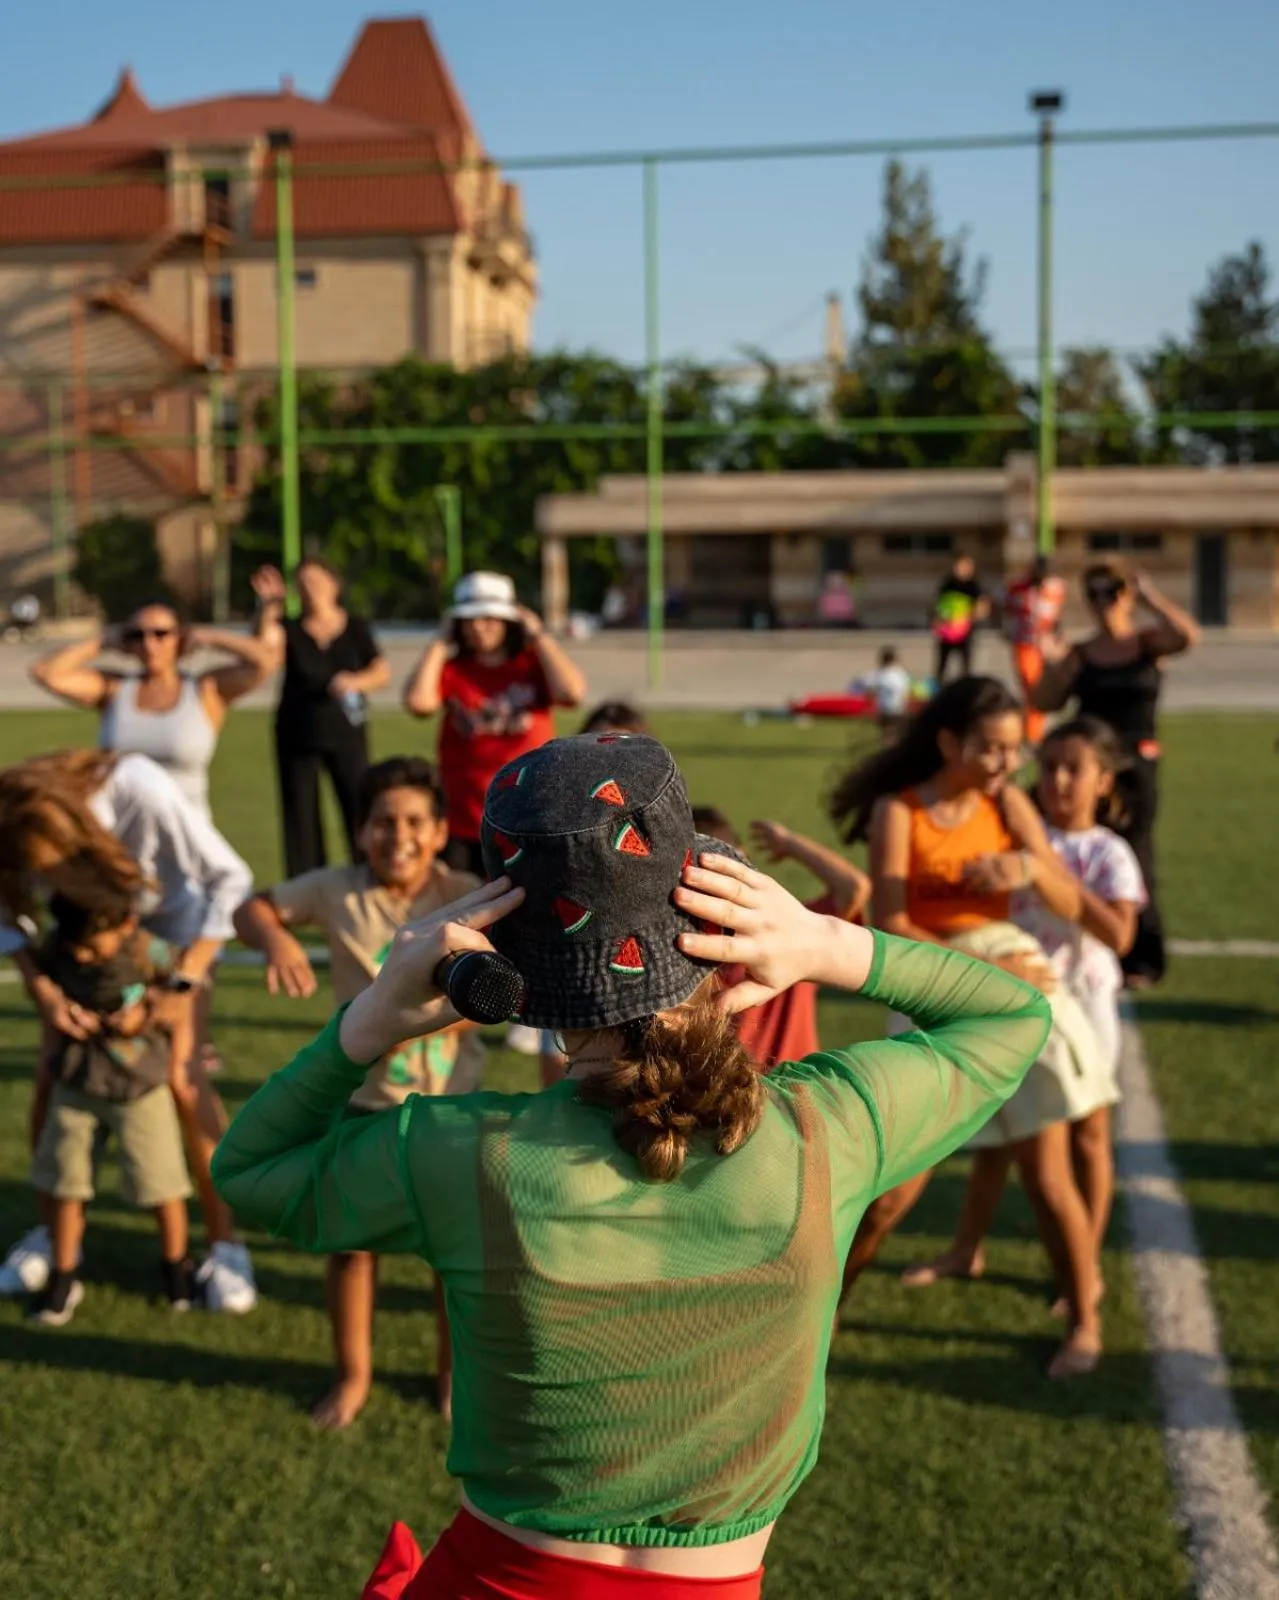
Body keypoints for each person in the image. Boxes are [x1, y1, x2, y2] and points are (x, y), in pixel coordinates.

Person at [212, 731, 1049, 1600]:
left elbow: (250, 1170)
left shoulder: (457, 1153)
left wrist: (374, 1017)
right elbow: (1011, 1020)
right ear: (718, 909)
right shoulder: (826, 1131)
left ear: (514, 972)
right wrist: (829, 946)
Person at [827, 677, 1109, 1378]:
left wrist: (1025, 866)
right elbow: (889, 923)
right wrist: (976, 973)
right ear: (950, 742)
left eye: (1014, 750)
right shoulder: (900, 810)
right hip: (932, 988)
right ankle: (823, 1318)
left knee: (1046, 1180)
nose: (1005, 764)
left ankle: (1085, 1323)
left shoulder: (1007, 802)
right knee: (890, 1191)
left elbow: (1069, 900)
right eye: (989, 749)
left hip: (1012, 994)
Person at [232, 756, 483, 1428]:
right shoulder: (335, 889)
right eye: (380, 822)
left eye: (411, 822)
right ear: (361, 829)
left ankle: (454, 1377)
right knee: (350, 1245)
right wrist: (277, 939)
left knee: (452, 1253)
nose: (395, 835)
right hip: (364, 1104)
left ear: (436, 831)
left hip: (450, 1110)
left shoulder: (467, 891)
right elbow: (249, 908)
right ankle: (353, 1377)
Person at [900, 717, 1144, 1318]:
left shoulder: (1107, 851)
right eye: (1050, 765)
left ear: (1104, 782)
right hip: (1012, 996)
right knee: (994, 1143)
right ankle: (965, 1250)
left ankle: (1082, 1273)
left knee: (1085, 1143)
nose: (1058, 780)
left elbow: (1117, 934)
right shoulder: (1014, 826)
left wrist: (1036, 872)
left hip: (1079, 1001)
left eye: (1074, 768)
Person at [0, 750, 257, 1313]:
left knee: (184, 1082)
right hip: (82, 954)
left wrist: (182, 983)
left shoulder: (139, 789)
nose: (43, 883)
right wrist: (41, 989)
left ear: (69, 830)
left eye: (47, 870)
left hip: (176, 941)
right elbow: (5, 904)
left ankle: (225, 1243)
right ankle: (51, 1234)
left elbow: (231, 877)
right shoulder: (15, 823)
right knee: (52, 1075)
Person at [25, 890, 194, 1326]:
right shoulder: (59, 945)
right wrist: (60, 1011)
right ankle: (63, 1275)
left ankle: (176, 1266)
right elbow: (39, 980)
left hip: (140, 1088)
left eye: (90, 943)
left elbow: (181, 989)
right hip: (77, 1081)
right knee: (65, 1182)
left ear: (124, 923)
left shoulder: (147, 949)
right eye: (72, 943)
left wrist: (147, 1014)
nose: (80, 954)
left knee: (161, 1184)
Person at [1033, 560, 1199, 987]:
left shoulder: (1146, 644)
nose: (1105, 601)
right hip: (1087, 767)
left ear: (1127, 594)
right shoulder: (1082, 653)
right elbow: (1045, 700)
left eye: (1113, 591)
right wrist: (1050, 661)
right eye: (1096, 593)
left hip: (1135, 768)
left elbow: (1188, 636)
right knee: (1076, 844)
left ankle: (1141, 956)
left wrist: (1151, 597)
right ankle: (1074, 935)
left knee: (1136, 851)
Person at [401, 570, 588, 879]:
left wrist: (538, 635)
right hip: (466, 817)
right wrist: (439, 641)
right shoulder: (453, 670)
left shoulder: (530, 665)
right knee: (464, 904)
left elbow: (572, 692)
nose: (477, 628)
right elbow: (418, 702)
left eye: (488, 619)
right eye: (469, 620)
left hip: (528, 813)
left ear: (508, 621)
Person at [30, 597, 279, 819]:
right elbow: (46, 673)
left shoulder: (206, 690)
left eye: (160, 634)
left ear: (179, 638)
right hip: (124, 833)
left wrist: (209, 636)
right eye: (138, 635)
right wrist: (103, 642)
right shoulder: (114, 689)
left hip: (187, 832)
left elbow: (265, 662)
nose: (149, 644)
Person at [693, 805, 869, 1070]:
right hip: (784, 1091)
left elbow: (855, 889)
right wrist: (790, 845)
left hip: (739, 1095)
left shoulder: (787, 923)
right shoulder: (791, 926)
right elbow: (853, 888)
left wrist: (790, 844)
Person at [253, 559, 391, 877]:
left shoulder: (355, 626)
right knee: (300, 812)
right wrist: (267, 607)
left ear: (334, 585)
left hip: (346, 731)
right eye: (302, 584)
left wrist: (354, 681)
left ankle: (367, 875)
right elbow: (263, 648)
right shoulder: (289, 628)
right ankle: (307, 884)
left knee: (358, 802)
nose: (310, 590)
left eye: (316, 582)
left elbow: (380, 671)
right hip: (297, 732)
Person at [1001, 554, 1067, 744]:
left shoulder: (1056, 588)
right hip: (1024, 644)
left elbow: (1057, 616)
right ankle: (1032, 733)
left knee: (1044, 688)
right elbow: (1006, 609)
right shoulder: (1019, 588)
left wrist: (1057, 639)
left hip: (1046, 645)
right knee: (1030, 687)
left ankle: (1036, 729)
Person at [930, 554, 988, 683]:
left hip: (965, 633)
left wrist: (965, 618)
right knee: (941, 667)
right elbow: (937, 604)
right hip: (946, 632)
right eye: (957, 565)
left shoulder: (974, 586)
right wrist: (938, 620)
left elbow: (983, 608)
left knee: (965, 667)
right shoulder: (947, 583)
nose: (958, 569)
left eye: (962, 566)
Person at [856, 646, 914, 743]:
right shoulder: (902, 675)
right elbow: (905, 693)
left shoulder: (879, 674)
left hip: (886, 710)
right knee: (898, 735)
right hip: (900, 709)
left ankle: (889, 752)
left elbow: (864, 687)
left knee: (888, 735)